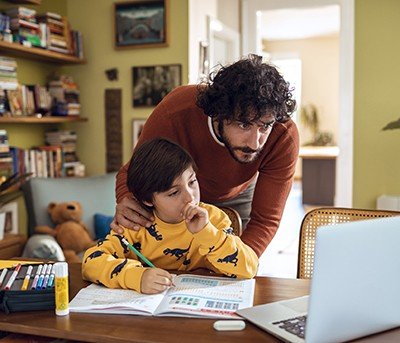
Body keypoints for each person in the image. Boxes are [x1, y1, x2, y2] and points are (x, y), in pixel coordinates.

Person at [112, 54, 299, 258]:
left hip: (239, 195)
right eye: (244, 124)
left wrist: (239, 264)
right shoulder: (175, 113)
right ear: (219, 113)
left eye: (265, 126)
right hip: (177, 193)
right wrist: (127, 198)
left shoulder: (283, 136)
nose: (255, 143)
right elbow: (133, 171)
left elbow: (265, 221)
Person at [82, 138, 258, 294]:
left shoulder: (214, 219)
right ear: (147, 199)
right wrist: (136, 277)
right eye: (174, 193)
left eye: (192, 181)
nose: (190, 197)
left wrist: (208, 233)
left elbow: (249, 268)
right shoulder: (136, 225)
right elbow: (91, 262)